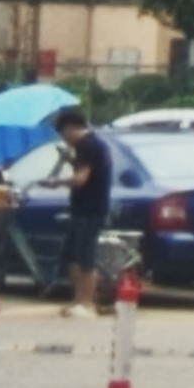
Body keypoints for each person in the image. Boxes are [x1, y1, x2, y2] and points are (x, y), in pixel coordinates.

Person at [52, 101, 117, 314]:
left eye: (63, 133)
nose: (64, 138)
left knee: (84, 255)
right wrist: (71, 160)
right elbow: (88, 170)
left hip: (91, 207)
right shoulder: (90, 146)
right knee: (72, 255)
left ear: (70, 128)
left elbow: (81, 179)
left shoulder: (88, 145)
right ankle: (78, 298)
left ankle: (86, 302)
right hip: (82, 207)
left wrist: (57, 183)